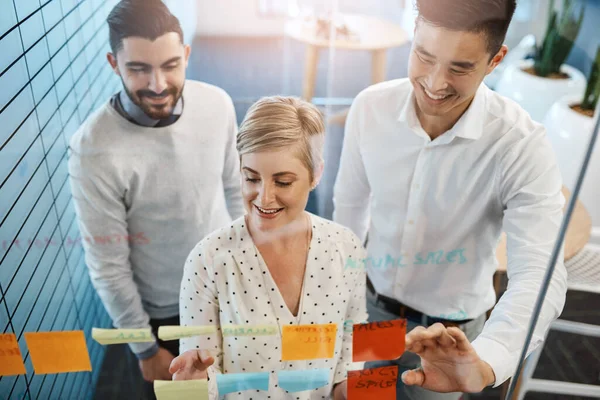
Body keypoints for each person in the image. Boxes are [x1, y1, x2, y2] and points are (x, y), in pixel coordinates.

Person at [333, 0, 568, 398]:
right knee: (359, 395)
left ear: (496, 60)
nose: (436, 83)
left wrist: (488, 361)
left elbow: (541, 276)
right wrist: (340, 299)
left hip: (449, 340)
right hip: (370, 312)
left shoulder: (521, 144)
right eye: (424, 57)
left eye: (460, 67)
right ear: (413, 35)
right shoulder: (370, 108)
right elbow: (349, 215)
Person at [68, 0, 244, 397]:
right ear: (114, 64)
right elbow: (107, 265)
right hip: (164, 318)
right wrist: (145, 348)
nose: (158, 84)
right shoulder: (93, 149)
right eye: (138, 69)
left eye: (169, 65)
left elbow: (235, 191)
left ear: (186, 55)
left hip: (226, 291)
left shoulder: (217, 104)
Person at [169, 96, 367, 399]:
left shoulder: (346, 248)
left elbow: (349, 357)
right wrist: (194, 386)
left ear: (316, 175)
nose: (263, 198)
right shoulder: (209, 260)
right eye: (251, 178)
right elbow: (202, 373)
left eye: (283, 182)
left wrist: (357, 389)